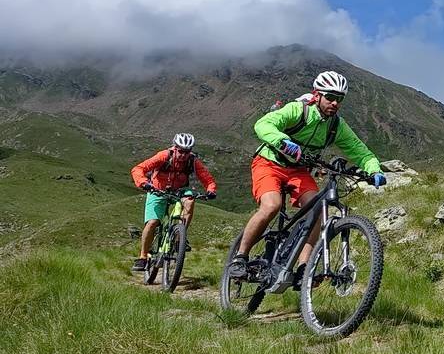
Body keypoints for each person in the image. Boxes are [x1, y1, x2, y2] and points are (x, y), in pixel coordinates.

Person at [228, 70, 386, 280]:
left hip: (299, 171)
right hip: (269, 163)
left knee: (317, 212)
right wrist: (283, 142)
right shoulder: (298, 110)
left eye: (339, 99)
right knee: (271, 206)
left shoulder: (336, 125)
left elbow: (360, 151)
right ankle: (240, 257)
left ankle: (304, 268)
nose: (335, 103)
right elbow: (263, 124)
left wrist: (374, 169)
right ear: (317, 95)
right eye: (330, 97)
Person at [130, 133, 217, 272]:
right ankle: (143, 257)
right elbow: (138, 169)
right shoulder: (164, 156)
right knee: (152, 222)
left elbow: (207, 179)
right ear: (174, 148)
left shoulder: (192, 161)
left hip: (179, 191)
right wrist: (144, 183)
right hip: (157, 190)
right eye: (181, 151)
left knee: (190, 201)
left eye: (187, 152)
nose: (183, 155)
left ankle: (179, 237)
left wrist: (211, 190)